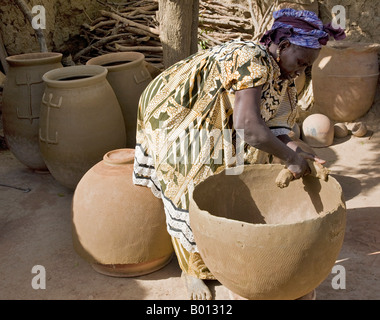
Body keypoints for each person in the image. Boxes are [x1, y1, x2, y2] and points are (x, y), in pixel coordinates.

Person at [133, 8, 346, 300]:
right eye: (300, 62)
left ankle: (225, 251)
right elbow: (248, 126)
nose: (300, 71)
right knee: (191, 185)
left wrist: (301, 155)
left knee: (238, 167)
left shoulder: (282, 75)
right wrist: (290, 157)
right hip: (176, 113)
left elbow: (279, 132)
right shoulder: (252, 60)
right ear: (283, 46)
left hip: (217, 117)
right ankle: (193, 271)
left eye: (306, 67)